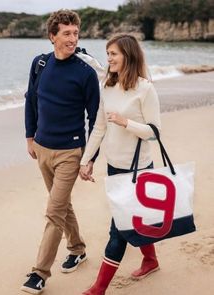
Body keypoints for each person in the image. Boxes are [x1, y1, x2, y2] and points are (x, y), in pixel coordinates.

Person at [21, 9, 100, 294]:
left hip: (70, 152)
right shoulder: (40, 64)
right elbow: (31, 101)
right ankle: (77, 248)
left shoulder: (86, 72)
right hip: (41, 148)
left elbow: (96, 118)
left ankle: (40, 273)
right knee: (62, 204)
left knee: (54, 211)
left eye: (76, 33)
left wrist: (89, 158)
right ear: (52, 36)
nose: (73, 38)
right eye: (66, 33)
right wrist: (30, 137)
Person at [79, 34, 161, 295]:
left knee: (119, 230)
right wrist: (87, 160)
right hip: (114, 167)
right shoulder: (108, 87)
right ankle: (151, 260)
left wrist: (127, 123)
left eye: (113, 53)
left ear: (128, 55)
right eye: (108, 53)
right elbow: (99, 127)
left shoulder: (145, 88)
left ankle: (99, 288)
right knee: (136, 220)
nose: (109, 58)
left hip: (138, 169)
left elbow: (155, 132)